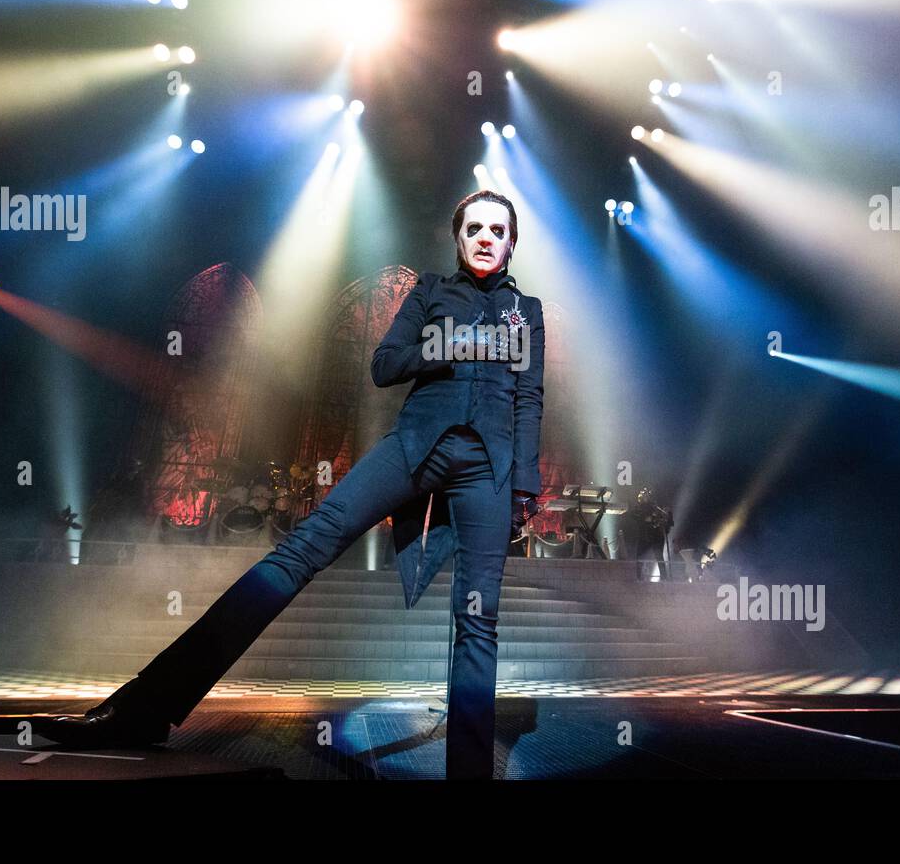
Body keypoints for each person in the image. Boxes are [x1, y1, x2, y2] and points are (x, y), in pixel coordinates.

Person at [35, 189, 545, 779]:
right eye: (474, 227)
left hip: (489, 465)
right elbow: (385, 364)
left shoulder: (524, 311)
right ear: (458, 238)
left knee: (477, 617)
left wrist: (524, 487)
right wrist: (448, 345)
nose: (485, 237)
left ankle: (470, 773)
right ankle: (144, 707)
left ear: (511, 243)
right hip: (413, 448)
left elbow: (530, 398)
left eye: (498, 230)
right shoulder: (429, 292)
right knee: (299, 551)